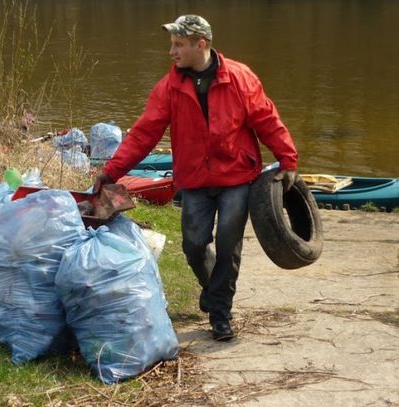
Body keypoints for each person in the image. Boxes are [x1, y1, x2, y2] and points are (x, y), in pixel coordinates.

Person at [93, 15, 298, 341]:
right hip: (194, 180)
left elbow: (267, 120)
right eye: (172, 44)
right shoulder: (169, 87)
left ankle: (220, 314)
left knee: (229, 246)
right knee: (193, 245)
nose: (171, 52)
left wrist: (287, 160)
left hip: (236, 176)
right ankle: (214, 292)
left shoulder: (240, 78)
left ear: (200, 44)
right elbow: (144, 134)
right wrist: (111, 171)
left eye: (178, 45)